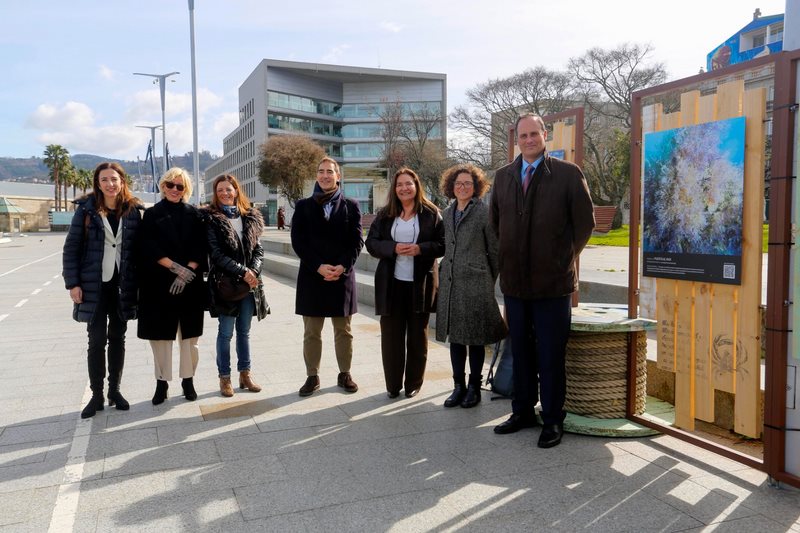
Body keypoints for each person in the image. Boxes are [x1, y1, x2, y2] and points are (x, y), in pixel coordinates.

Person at [490, 113, 595, 448]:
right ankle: (521, 411)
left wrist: (562, 259)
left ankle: (551, 419)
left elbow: (585, 224)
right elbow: (496, 224)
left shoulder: (568, 174)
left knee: (550, 355)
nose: (529, 140)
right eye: (523, 136)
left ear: (544, 135)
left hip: (553, 285)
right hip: (515, 285)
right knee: (520, 352)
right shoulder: (503, 177)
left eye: (534, 134)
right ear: (516, 140)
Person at [62, 162, 144, 418]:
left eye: (114, 179)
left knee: (118, 338)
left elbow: (139, 250)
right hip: (93, 286)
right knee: (96, 340)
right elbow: (71, 248)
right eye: (104, 179)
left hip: (122, 286)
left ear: (122, 182)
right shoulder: (86, 210)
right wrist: (73, 283)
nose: (110, 184)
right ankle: (96, 395)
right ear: (98, 183)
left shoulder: (132, 211)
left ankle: (114, 391)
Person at [366, 167, 444, 399]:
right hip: (392, 284)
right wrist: (393, 248)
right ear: (394, 188)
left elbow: (442, 244)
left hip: (420, 284)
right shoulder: (385, 214)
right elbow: (371, 243)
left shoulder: (431, 213)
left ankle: (413, 383)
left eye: (408, 183)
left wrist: (421, 249)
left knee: (418, 336)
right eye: (399, 184)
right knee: (391, 337)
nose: (404, 188)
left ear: (416, 186)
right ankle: (392, 385)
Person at [435, 164, 507, 408]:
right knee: (456, 339)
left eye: (467, 183)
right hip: (451, 285)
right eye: (458, 183)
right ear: (451, 187)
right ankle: (459, 386)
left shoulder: (484, 212)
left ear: (476, 187)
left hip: (477, 284)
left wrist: (487, 278)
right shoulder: (447, 212)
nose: (462, 187)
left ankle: (474, 387)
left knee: (476, 338)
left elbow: (495, 250)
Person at [291, 156, 363, 397]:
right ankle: (312, 376)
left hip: (342, 277)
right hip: (312, 277)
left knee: (344, 331)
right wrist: (318, 266)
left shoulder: (351, 205)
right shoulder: (303, 206)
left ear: (337, 176)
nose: (325, 175)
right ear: (316, 175)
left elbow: (356, 241)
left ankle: (345, 374)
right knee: (312, 332)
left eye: (329, 171)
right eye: (321, 171)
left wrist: (342, 266)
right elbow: (298, 242)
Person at [137, 167, 207, 405]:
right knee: (160, 337)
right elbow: (148, 246)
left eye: (180, 186)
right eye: (170, 185)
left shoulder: (195, 214)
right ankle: (161, 383)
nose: (175, 189)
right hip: (158, 283)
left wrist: (187, 272)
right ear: (163, 186)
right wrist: (177, 269)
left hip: (190, 283)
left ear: (186, 189)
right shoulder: (151, 214)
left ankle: (188, 380)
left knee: (189, 337)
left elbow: (201, 246)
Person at [205, 174, 269, 397]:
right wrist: (243, 272)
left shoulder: (249, 216)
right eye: (220, 190)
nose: (225, 193)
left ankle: (245, 374)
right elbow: (216, 254)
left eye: (228, 189)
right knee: (225, 333)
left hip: (249, 286)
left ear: (236, 191)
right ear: (216, 194)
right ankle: (225, 377)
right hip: (226, 285)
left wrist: (254, 271)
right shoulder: (212, 219)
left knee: (244, 332)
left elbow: (258, 249)